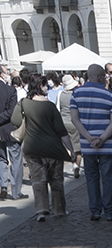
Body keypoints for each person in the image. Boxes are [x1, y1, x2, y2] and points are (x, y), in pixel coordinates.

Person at [11, 73, 74, 221]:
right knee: (56, 181)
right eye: (45, 84)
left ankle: (41, 210)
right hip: (53, 149)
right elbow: (61, 131)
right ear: (40, 85)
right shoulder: (50, 106)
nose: (48, 87)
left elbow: (15, 120)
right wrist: (70, 149)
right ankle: (59, 210)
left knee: (38, 181)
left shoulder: (23, 103)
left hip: (32, 148)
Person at [70, 63, 112, 222]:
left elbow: (75, 119)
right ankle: (110, 211)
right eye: (104, 76)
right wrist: (102, 138)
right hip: (107, 145)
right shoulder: (109, 95)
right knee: (108, 179)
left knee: (91, 178)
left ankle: (95, 211)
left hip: (87, 146)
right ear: (99, 77)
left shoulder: (76, 94)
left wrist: (89, 138)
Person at [0, 64, 27, 200]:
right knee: (16, 160)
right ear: (1, 74)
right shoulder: (10, 90)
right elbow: (11, 112)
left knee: (1, 159)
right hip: (8, 129)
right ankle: (16, 192)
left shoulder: (10, 89)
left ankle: (3, 186)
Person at [58, 75, 82, 179]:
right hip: (74, 122)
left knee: (68, 146)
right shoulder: (76, 95)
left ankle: (72, 163)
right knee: (77, 148)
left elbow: (58, 107)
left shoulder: (60, 94)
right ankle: (76, 166)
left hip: (63, 122)